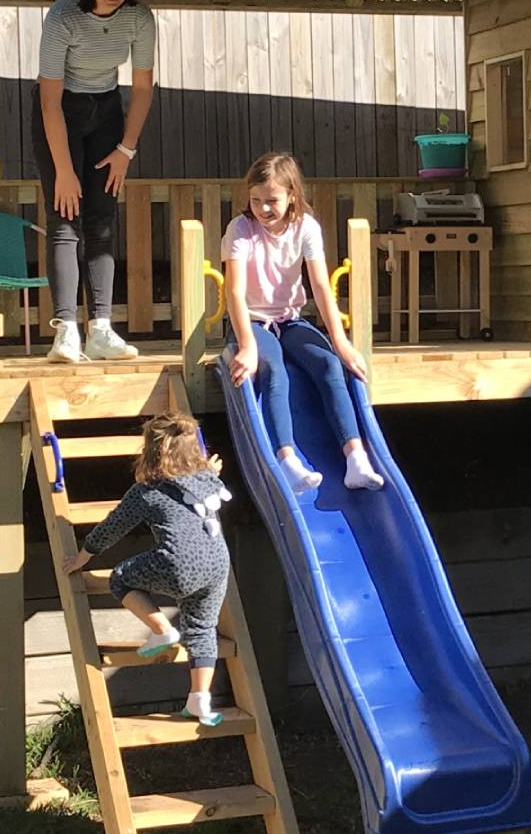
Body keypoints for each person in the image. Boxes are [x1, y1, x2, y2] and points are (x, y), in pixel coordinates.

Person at [223, 152, 385, 494]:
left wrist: (341, 344)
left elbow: (322, 287)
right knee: (274, 369)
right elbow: (235, 292)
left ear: (292, 195)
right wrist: (248, 347)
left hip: (290, 319)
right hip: (251, 321)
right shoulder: (241, 229)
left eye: (272, 201)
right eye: (256, 200)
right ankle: (287, 459)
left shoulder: (306, 227)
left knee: (329, 364)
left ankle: (355, 458)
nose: (263, 209)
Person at [61, 413, 230, 725]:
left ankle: (162, 630)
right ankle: (199, 701)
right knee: (203, 628)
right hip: (218, 565)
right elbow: (209, 474)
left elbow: (112, 527)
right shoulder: (208, 480)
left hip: (180, 563)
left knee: (122, 578)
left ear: (150, 453)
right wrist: (210, 470)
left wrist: (84, 556)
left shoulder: (147, 491)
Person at [35, 0, 156, 363]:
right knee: (65, 216)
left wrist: (126, 149)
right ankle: (66, 329)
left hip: (106, 108)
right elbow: (49, 101)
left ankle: (101, 328)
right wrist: (64, 171)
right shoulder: (63, 16)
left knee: (103, 215)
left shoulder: (140, 18)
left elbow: (142, 88)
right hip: (60, 109)